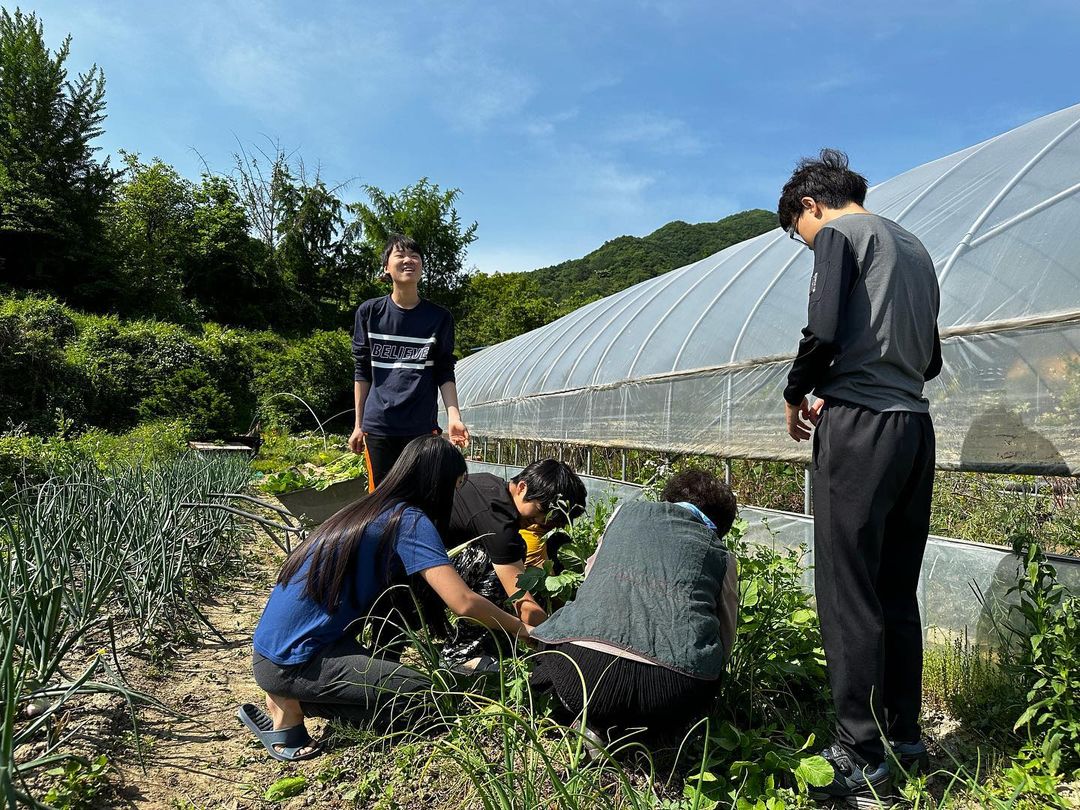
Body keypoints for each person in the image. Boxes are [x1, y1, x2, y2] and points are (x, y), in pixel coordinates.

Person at [778, 148, 941, 805]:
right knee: (895, 590)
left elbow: (820, 332)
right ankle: (905, 739)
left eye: (797, 230)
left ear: (810, 206)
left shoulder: (840, 235)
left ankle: (858, 757)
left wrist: (797, 392)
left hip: (862, 428)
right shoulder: (917, 248)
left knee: (848, 592)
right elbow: (929, 359)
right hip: (913, 427)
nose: (804, 240)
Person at [238, 435, 530, 762]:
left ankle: (290, 698)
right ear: (439, 482)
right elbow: (462, 601)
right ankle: (290, 704)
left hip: (281, 647)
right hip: (294, 660)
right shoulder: (409, 520)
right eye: (457, 482)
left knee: (393, 685)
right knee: (429, 702)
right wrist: (522, 629)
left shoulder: (372, 508)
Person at [529, 469, 739, 744]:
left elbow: (590, 580)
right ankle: (651, 734)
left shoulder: (624, 515)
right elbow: (726, 637)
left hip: (579, 672)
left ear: (669, 499)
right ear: (718, 526)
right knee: (703, 673)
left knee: (557, 640)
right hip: (671, 692)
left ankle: (584, 719)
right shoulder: (723, 556)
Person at [349, 234, 470, 491]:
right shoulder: (370, 313)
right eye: (400, 255)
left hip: (421, 427)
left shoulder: (439, 318)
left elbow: (444, 370)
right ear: (386, 267)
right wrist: (358, 425)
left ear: (422, 267)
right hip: (379, 426)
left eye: (415, 256)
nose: (409, 260)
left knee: (422, 497)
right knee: (380, 500)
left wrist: (454, 417)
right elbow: (362, 372)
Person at [441, 460, 588, 669]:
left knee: (513, 555)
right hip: (412, 581)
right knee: (492, 564)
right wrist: (562, 642)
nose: (539, 524)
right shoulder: (499, 525)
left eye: (550, 523)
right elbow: (523, 604)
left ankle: (491, 640)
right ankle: (460, 655)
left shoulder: (489, 483)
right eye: (539, 513)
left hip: (412, 566)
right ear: (521, 488)